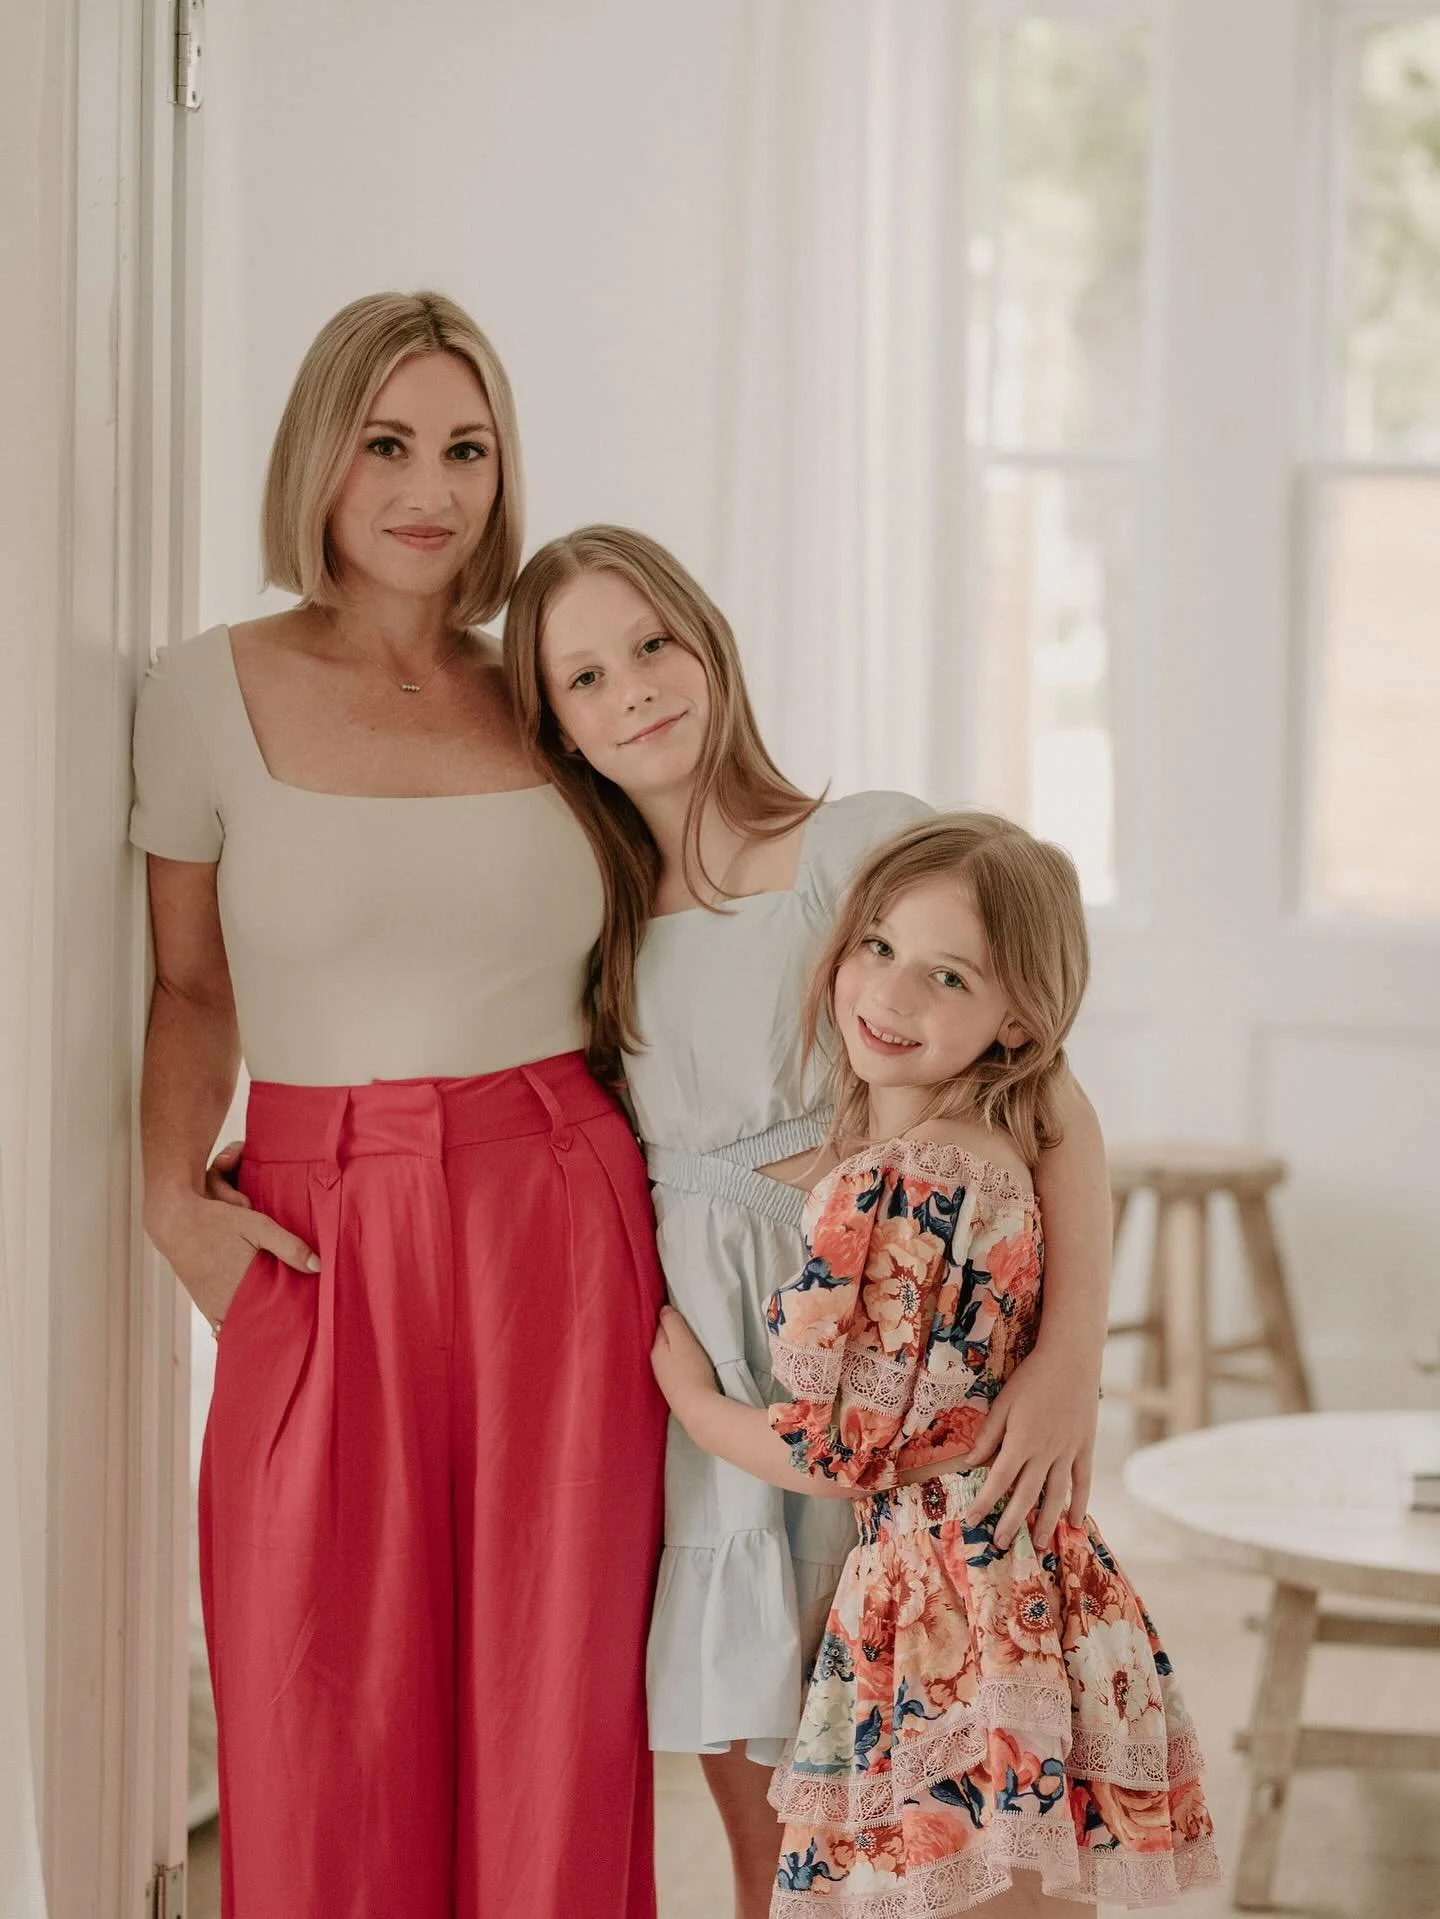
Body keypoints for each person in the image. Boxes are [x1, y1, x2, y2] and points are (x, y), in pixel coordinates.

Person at [132, 294, 666, 1919]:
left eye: (465, 447)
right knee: (319, 1713)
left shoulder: (555, 688)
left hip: (559, 1216)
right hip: (317, 1219)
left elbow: (696, 915)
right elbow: (192, 986)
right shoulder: (197, 690)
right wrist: (172, 1199)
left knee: (553, 1715)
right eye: (387, 443)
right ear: (323, 454)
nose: (428, 488)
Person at [503, 531, 1115, 1916]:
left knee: (929, 1744)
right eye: (585, 674)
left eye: (653, 644)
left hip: (864, 1337)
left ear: (710, 642)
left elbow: (1056, 1103)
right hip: (710, 1373)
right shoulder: (588, 901)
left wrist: (1070, 1356)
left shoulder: (850, 844)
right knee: (776, 1798)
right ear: (554, 721)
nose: (635, 690)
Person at [651, 813, 1221, 1914]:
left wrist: (695, 1402)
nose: (894, 993)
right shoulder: (988, 1149)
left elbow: (842, 1451)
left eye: (945, 974)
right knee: (1029, 1891)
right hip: (1029, 1575)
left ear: (1016, 1020)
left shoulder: (901, 1185)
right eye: (878, 945)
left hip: (950, 1598)